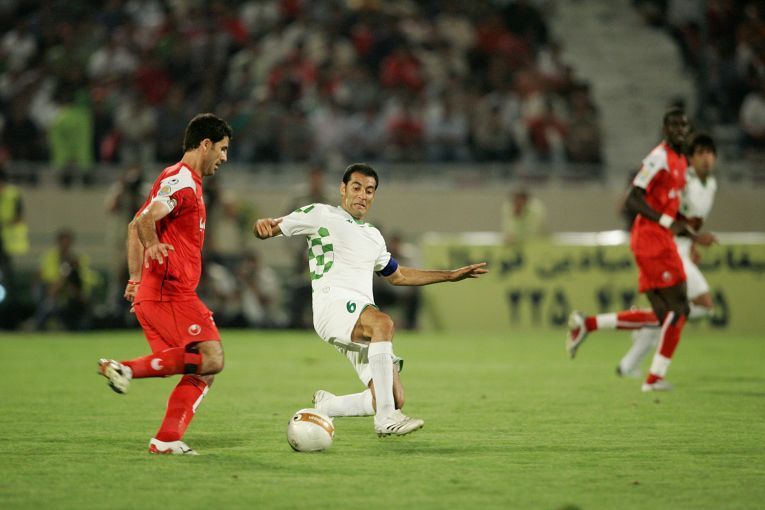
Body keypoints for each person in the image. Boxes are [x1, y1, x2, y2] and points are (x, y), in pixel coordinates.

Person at [253, 163, 488, 436]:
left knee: (393, 396)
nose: (362, 195)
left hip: (359, 318)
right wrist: (262, 227)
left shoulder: (373, 236)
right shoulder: (320, 214)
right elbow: (271, 227)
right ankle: (386, 419)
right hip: (333, 306)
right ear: (343, 189)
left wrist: (449, 276)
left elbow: (398, 276)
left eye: (369, 190)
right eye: (356, 188)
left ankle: (329, 406)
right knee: (383, 323)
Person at [97, 113, 232, 455]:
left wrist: (134, 277)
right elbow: (145, 220)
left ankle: (166, 439)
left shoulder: (178, 179)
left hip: (159, 292)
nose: (224, 157)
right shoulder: (181, 180)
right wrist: (153, 245)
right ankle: (125, 369)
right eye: (222, 149)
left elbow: (133, 225)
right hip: (169, 292)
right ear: (205, 145)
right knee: (213, 357)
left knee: (200, 367)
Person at [566, 109, 715, 392]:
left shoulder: (680, 162)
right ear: (665, 129)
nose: (679, 130)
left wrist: (692, 235)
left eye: (683, 126)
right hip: (651, 241)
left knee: (663, 316)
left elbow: (670, 209)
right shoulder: (659, 158)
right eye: (673, 125)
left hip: (661, 240)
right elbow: (632, 199)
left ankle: (588, 324)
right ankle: (653, 379)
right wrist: (667, 223)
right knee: (680, 309)